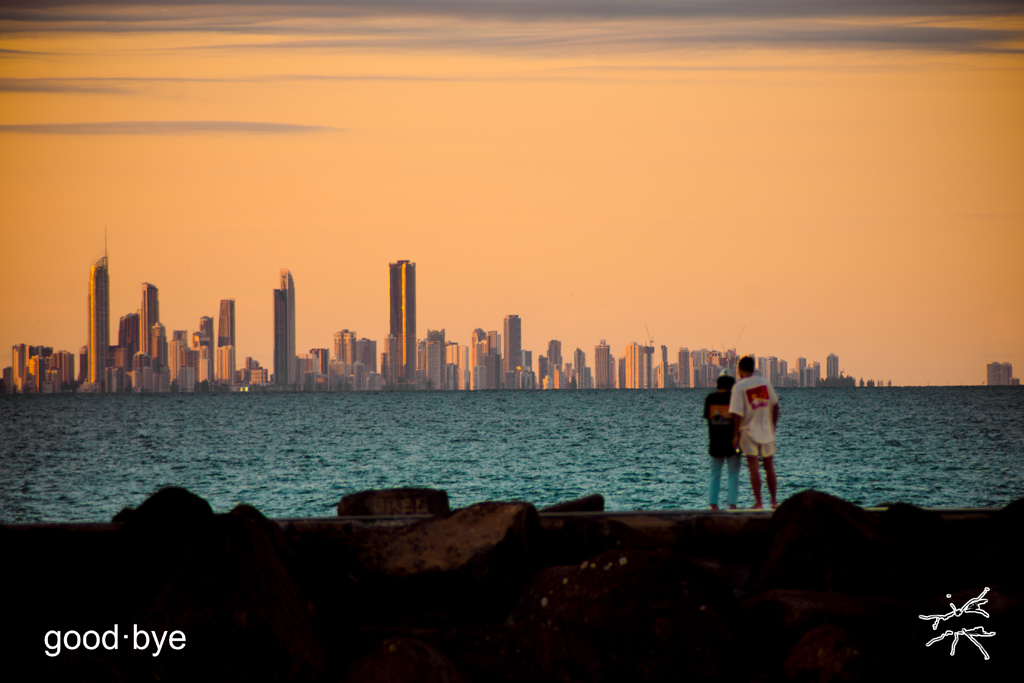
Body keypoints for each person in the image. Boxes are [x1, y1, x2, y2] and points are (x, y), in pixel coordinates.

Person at [729, 356, 780, 509]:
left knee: (753, 467)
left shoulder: (739, 387)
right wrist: (772, 426)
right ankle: (773, 502)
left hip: (748, 431)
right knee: (769, 466)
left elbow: (736, 414)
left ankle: (758, 503)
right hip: (766, 430)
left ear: (740, 369)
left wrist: (735, 435)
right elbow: (775, 406)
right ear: (753, 368)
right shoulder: (764, 382)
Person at [703, 373, 740, 510]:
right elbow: (739, 418)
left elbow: (708, 418)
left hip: (715, 441)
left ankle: (713, 504)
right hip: (733, 442)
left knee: (714, 474)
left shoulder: (710, 398)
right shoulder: (735, 399)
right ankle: (732, 504)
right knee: (733, 474)